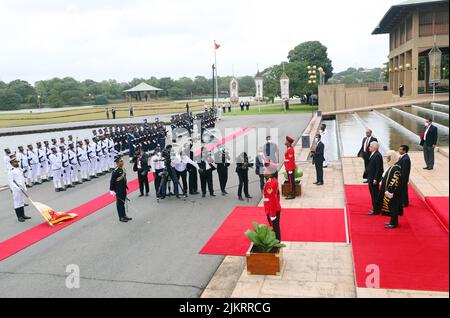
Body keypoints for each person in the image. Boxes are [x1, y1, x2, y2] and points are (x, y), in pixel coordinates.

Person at [377, 150, 403, 229]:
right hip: (390, 192)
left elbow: (394, 180)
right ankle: (392, 221)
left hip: (393, 193)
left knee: (393, 207)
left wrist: (390, 191)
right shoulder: (392, 167)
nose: (387, 159)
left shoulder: (396, 168)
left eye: (388, 158)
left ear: (392, 158)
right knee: (391, 207)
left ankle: (394, 223)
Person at [8, 158, 31, 222]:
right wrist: (18, 188)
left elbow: (22, 179)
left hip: (22, 188)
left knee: (21, 202)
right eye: (15, 162)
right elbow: (11, 182)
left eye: (17, 162)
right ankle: (19, 217)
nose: (17, 163)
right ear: (11, 163)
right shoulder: (11, 171)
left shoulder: (19, 169)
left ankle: (23, 215)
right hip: (16, 190)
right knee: (17, 203)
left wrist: (24, 187)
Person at [110, 156, 132, 223]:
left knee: (123, 202)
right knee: (119, 203)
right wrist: (112, 190)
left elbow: (124, 179)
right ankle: (121, 217)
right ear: (117, 163)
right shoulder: (115, 171)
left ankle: (124, 215)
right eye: (120, 161)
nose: (122, 162)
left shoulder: (122, 169)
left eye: (122, 161)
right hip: (118, 189)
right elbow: (112, 181)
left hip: (123, 188)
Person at [263, 164, 281, 241]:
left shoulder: (270, 183)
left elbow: (272, 199)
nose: (264, 171)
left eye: (266, 170)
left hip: (272, 210)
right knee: (274, 227)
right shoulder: (271, 181)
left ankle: (277, 243)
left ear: (271, 173)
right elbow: (277, 195)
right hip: (273, 208)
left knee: (275, 228)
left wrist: (272, 214)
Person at [367, 142, 384, 216]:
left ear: (375, 147)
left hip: (374, 179)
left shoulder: (377, 155)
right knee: (373, 194)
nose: (369, 147)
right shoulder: (374, 153)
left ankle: (376, 210)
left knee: (375, 195)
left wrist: (376, 179)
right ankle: (376, 208)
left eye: (370, 146)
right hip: (371, 177)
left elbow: (379, 169)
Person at [284, 136, 296, 200]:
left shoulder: (290, 149)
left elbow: (290, 160)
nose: (285, 142)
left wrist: (290, 169)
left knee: (291, 181)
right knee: (290, 181)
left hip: (290, 168)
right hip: (288, 167)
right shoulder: (288, 148)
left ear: (288, 142)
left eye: (286, 141)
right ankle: (292, 192)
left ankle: (292, 194)